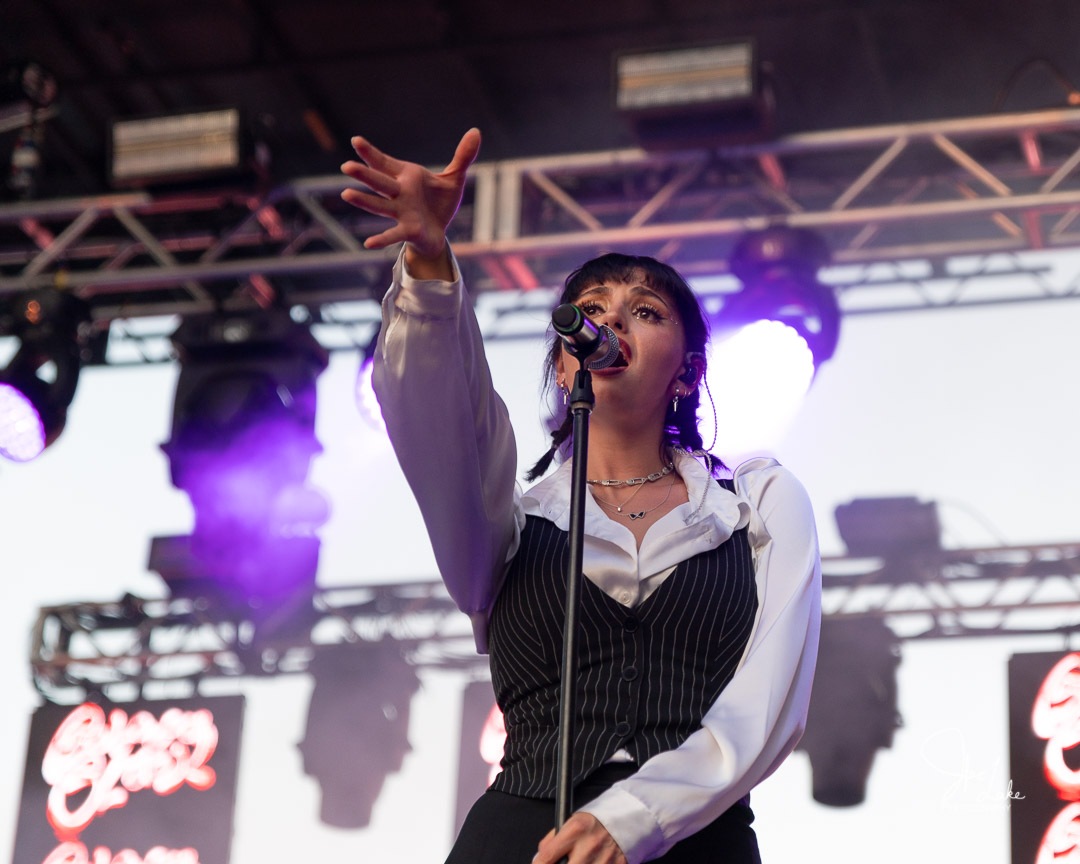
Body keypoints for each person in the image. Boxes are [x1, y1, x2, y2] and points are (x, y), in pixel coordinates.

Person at [340, 128, 821, 864]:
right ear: (565, 366)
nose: (612, 320)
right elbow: (434, 417)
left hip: (698, 844)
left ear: (688, 373)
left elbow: (771, 701)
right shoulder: (510, 520)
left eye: (646, 311)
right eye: (592, 307)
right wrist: (430, 261)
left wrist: (637, 815)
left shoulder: (758, 504)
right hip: (520, 839)